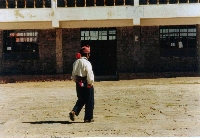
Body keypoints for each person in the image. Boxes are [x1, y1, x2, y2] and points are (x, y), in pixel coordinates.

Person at [69, 45, 95, 123]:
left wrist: (76, 81)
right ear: (87, 54)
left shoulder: (75, 62)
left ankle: (74, 111)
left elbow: (73, 75)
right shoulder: (87, 63)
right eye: (89, 54)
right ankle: (88, 118)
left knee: (81, 99)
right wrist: (90, 83)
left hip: (78, 83)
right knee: (89, 100)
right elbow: (89, 73)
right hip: (86, 82)